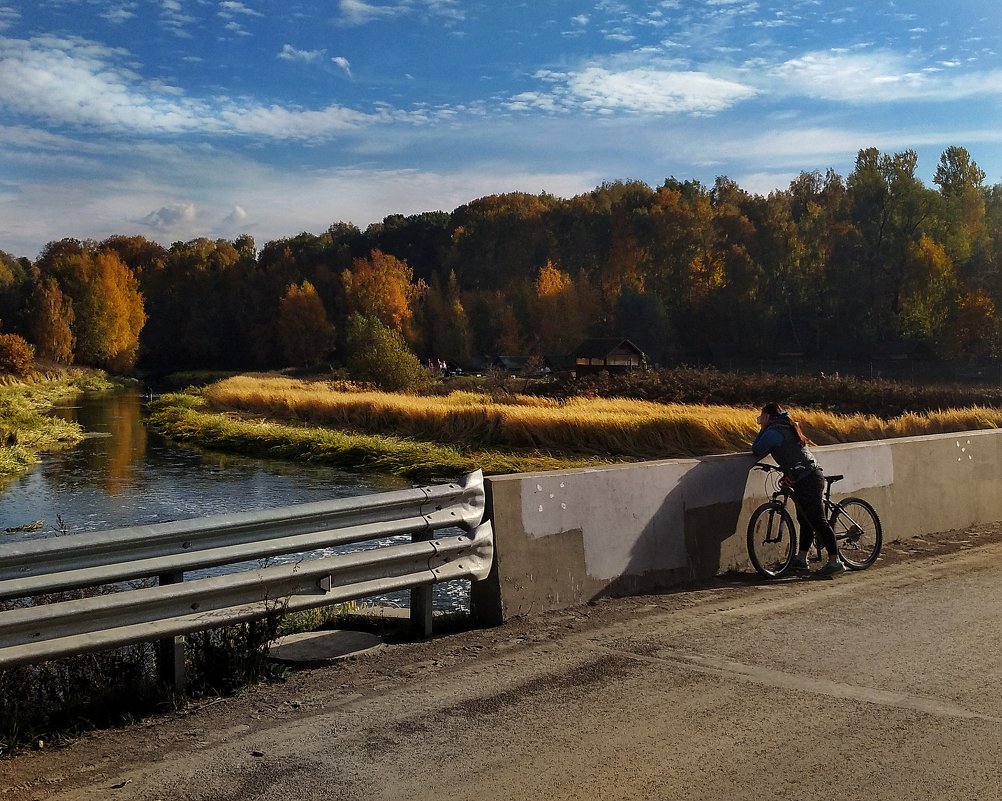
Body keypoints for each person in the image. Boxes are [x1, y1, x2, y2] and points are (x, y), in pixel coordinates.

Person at [751, 402, 845, 576]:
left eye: (761, 417)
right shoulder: (786, 426)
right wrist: (790, 474)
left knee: (817, 520)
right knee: (804, 519)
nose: (759, 420)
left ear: (768, 417)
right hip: (806, 476)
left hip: (808, 479)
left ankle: (835, 561)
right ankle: (801, 559)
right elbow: (795, 456)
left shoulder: (773, 432)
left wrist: (762, 428)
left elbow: (756, 449)